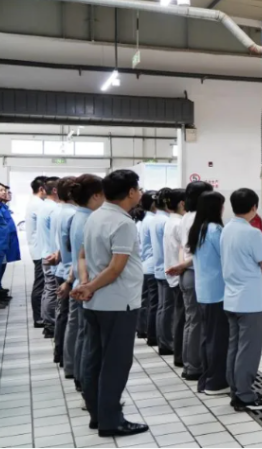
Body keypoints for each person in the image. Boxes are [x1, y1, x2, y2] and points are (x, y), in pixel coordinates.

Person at [71, 169, 148, 438]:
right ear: (131, 192)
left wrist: (86, 284)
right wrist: (89, 286)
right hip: (118, 302)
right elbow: (116, 268)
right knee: (116, 363)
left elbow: (83, 255)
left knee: (94, 360)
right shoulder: (123, 223)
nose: (140, 193)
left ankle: (97, 414)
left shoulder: (95, 216)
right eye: (138, 188)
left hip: (95, 302)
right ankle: (111, 421)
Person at [221, 188, 262, 412]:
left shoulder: (226, 229)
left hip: (231, 297)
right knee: (249, 350)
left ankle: (236, 390)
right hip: (251, 300)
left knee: (234, 347)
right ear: (254, 207)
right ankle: (245, 395)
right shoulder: (253, 233)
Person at [181, 191, 228, 395]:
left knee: (208, 336)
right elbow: (227, 257)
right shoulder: (215, 230)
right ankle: (215, 383)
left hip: (204, 291)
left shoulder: (198, 228)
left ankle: (206, 378)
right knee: (218, 339)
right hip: (218, 292)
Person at [167, 181, 213, 382]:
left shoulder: (185, 217)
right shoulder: (200, 219)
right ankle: (194, 366)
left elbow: (182, 247)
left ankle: (189, 364)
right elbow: (200, 252)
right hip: (195, 272)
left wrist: (182, 265)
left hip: (187, 273)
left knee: (191, 320)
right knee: (196, 322)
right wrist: (184, 265)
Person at [63, 174, 105, 390]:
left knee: (82, 332)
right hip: (87, 286)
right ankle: (84, 381)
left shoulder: (78, 216)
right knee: (88, 337)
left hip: (81, 283)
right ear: (96, 196)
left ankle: (80, 376)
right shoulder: (90, 220)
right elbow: (85, 256)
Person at [54, 177, 77, 365]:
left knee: (63, 314)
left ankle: (60, 352)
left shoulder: (60, 211)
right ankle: (66, 357)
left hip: (63, 267)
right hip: (70, 271)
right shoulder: (73, 214)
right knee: (71, 318)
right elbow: (76, 249)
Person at [161, 189, 185, 360]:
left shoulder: (171, 221)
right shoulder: (179, 224)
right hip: (179, 273)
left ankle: (179, 353)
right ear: (182, 203)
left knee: (179, 316)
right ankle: (180, 355)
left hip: (173, 273)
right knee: (183, 319)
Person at [38, 177, 61, 339]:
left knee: (49, 288)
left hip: (47, 252)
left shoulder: (46, 207)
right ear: (55, 190)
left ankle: (48, 322)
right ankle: (51, 324)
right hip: (52, 255)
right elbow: (57, 235)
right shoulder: (53, 209)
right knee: (52, 290)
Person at [149, 188, 171, 353]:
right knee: (166, 308)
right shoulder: (165, 221)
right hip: (167, 268)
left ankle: (161, 340)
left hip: (158, 266)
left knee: (162, 306)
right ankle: (166, 342)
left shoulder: (154, 219)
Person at [26, 176, 48, 328]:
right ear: (41, 189)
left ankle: (40, 316)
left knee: (42, 283)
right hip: (40, 250)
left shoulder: (36, 203)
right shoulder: (38, 205)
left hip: (39, 249)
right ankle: (38, 317)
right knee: (41, 284)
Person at [137, 191, 158, 343]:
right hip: (151, 266)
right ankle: (151, 334)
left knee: (145, 300)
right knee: (153, 303)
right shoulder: (152, 220)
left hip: (143, 265)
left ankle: (142, 329)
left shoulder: (142, 219)